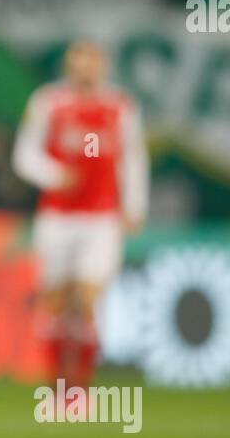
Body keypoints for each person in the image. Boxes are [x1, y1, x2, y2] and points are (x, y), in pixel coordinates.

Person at [11, 41, 147, 394]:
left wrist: (135, 205)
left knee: (87, 300)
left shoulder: (120, 107)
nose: (86, 70)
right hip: (57, 217)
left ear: (103, 66)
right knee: (54, 302)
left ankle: (80, 388)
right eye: (79, 63)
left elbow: (133, 158)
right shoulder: (48, 102)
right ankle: (56, 384)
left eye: (92, 63)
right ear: (69, 67)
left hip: (101, 219)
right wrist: (55, 175)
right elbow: (24, 155)